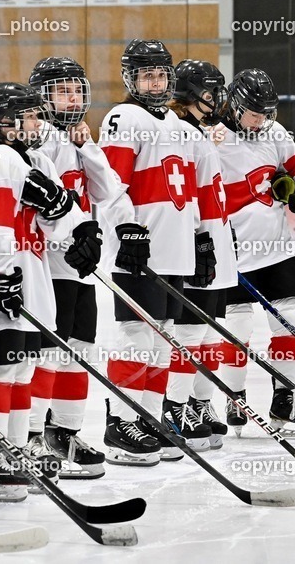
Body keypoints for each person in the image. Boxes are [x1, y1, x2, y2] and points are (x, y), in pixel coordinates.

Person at [0, 82, 93, 500]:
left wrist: (82, 231)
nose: (39, 122)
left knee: (21, 370)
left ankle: (13, 452)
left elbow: (62, 219)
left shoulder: (34, 159)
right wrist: (0, 275)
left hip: (31, 272)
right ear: (7, 122)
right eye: (31, 115)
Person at [97, 39, 213, 465]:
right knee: (135, 337)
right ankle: (120, 422)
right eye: (148, 74)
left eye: (162, 73)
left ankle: (146, 418)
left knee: (161, 343)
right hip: (138, 251)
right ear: (130, 78)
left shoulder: (182, 128)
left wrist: (200, 239)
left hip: (175, 251)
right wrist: (126, 229)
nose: (157, 81)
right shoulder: (122, 117)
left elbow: (191, 191)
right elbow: (109, 184)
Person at [214, 68, 295, 436]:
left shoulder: (274, 133)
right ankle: (234, 396)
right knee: (238, 324)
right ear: (235, 105)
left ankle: (285, 397)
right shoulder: (214, 138)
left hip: (276, 248)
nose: (261, 120)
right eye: (254, 113)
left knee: (290, 320)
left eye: (266, 113)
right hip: (234, 253)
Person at [25, 56, 114, 479]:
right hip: (49, 265)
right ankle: (32, 436)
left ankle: (65, 431)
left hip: (80, 265)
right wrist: (69, 239)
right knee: (49, 352)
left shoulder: (74, 140)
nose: (73, 97)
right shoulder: (37, 140)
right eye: (62, 90)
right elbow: (41, 207)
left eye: (77, 89)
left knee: (81, 351)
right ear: (42, 97)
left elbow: (108, 189)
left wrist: (88, 147)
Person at [163, 59, 235, 450]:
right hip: (199, 246)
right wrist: (199, 238)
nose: (217, 98)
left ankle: (198, 402)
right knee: (190, 334)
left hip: (216, 242)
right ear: (191, 95)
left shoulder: (201, 132)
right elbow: (183, 194)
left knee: (210, 335)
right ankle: (173, 406)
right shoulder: (181, 134)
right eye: (210, 91)